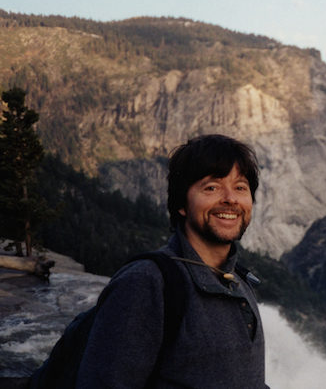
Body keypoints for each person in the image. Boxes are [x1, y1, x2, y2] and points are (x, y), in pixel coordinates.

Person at [76, 134, 269, 388]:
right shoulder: (147, 283)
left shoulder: (241, 283)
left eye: (240, 187)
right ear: (181, 204)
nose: (230, 199)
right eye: (211, 187)